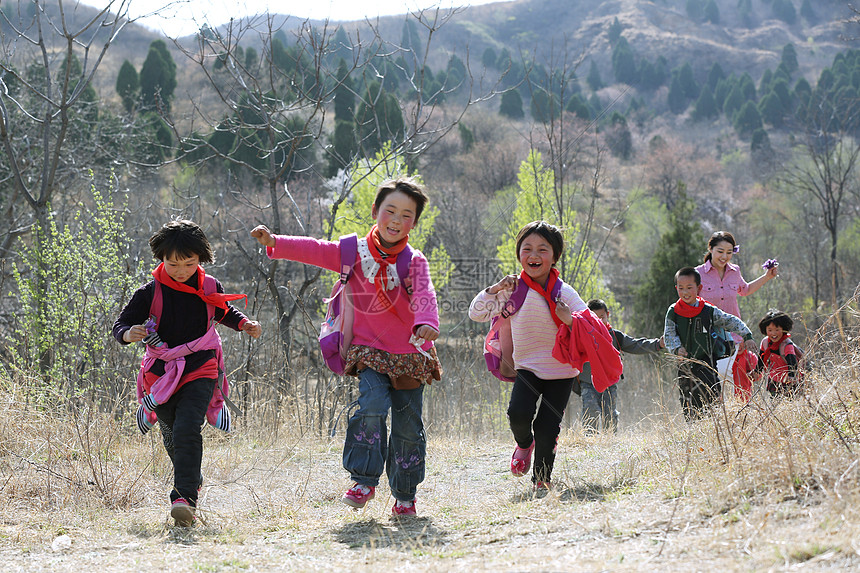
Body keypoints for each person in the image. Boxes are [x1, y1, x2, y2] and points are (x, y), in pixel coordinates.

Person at [251, 177, 442, 517]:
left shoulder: (414, 261)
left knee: (408, 426)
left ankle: (405, 496)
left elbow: (426, 294)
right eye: (390, 211)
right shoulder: (352, 252)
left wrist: (427, 323)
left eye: (407, 215)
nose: (397, 221)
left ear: (414, 221)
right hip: (368, 350)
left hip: (410, 353)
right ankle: (363, 480)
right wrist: (275, 242)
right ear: (375, 211)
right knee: (371, 404)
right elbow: (313, 249)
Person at [113, 220, 262, 527]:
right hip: (162, 373)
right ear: (161, 259)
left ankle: (184, 499)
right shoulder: (148, 293)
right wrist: (130, 334)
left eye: (189, 263)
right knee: (171, 432)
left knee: (186, 429)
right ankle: (192, 478)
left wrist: (245, 324)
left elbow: (223, 312)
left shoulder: (209, 286)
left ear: (201, 259)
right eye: (173, 264)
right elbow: (120, 325)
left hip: (201, 366)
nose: (181, 271)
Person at [469, 221, 588, 493]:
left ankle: (542, 480)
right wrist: (494, 289)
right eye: (527, 248)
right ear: (519, 253)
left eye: (542, 249)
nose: (534, 255)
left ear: (555, 256)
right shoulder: (512, 290)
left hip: (562, 371)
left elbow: (589, 324)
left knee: (548, 427)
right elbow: (476, 313)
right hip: (528, 367)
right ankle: (524, 444)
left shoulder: (564, 292)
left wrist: (569, 319)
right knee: (517, 414)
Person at [664, 267, 758, 421]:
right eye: (681, 288)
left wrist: (746, 335)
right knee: (687, 400)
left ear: (699, 288)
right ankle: (693, 431)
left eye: (689, 288)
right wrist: (676, 349)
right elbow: (669, 333)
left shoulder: (707, 310)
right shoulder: (674, 311)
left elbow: (729, 320)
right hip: (684, 364)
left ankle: (711, 429)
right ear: (676, 289)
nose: (685, 292)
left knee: (711, 398)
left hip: (707, 363)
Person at [695, 231, 779, 402]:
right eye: (720, 251)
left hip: (735, 338)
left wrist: (766, 277)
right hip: (709, 340)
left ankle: (742, 420)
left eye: (729, 252)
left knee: (741, 388)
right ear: (710, 248)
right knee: (714, 387)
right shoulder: (697, 274)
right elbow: (690, 306)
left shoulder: (735, 271)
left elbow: (745, 290)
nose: (724, 256)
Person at [579, 299, 664, 434]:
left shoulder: (614, 336)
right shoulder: (582, 335)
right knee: (590, 410)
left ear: (608, 314)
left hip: (609, 383)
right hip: (588, 382)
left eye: (602, 317)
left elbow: (635, 344)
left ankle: (610, 440)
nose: (599, 321)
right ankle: (590, 441)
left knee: (610, 413)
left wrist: (657, 344)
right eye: (594, 318)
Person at [755, 309, 803, 397]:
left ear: (784, 329)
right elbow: (761, 358)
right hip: (774, 379)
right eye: (770, 330)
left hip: (788, 380)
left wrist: (792, 377)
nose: (773, 333)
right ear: (765, 330)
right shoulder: (765, 342)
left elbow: (792, 362)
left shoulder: (786, 345)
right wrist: (757, 372)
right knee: (774, 400)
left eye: (777, 330)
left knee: (790, 402)